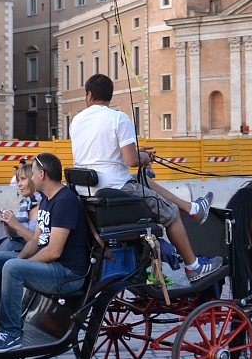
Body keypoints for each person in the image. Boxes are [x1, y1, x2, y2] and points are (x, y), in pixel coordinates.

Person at [68, 74, 222, 287]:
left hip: (88, 191)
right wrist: (145, 158)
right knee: (171, 214)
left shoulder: (77, 120)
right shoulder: (118, 118)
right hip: (115, 190)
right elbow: (131, 161)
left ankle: (193, 209)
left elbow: (101, 154)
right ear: (110, 96)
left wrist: (137, 154)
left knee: (143, 180)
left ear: (89, 95)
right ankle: (193, 266)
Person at [0, 153, 92, 353]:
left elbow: (54, 251)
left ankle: (12, 334)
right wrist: (20, 260)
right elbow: (36, 240)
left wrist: (21, 265)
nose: (31, 177)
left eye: (32, 173)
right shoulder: (48, 200)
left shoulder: (65, 201)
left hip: (67, 273)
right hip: (51, 265)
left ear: (42, 174)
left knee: (13, 268)